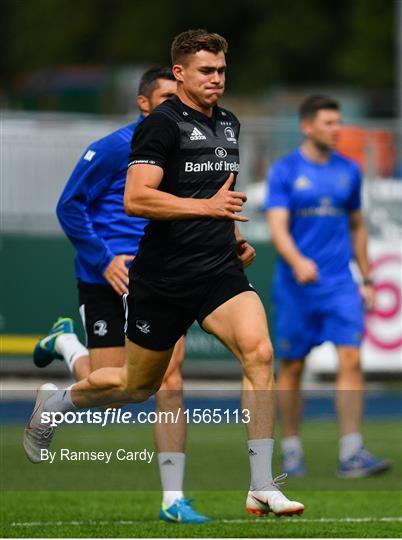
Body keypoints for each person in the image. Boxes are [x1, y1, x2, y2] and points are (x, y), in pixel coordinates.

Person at [24, 29, 304, 517]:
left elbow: (214, 201)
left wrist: (230, 240)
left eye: (221, 70)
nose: (217, 79)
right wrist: (209, 210)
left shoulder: (231, 124)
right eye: (205, 71)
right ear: (179, 74)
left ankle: (262, 484)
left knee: (260, 353)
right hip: (162, 278)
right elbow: (137, 198)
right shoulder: (160, 125)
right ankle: (56, 405)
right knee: (137, 387)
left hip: (217, 271)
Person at [31, 66, 210, 524]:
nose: (177, 105)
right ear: (144, 103)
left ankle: (174, 500)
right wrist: (104, 257)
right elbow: (68, 206)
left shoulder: (189, 149)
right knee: (117, 388)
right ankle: (67, 345)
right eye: (167, 97)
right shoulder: (114, 147)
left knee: (169, 381)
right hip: (106, 276)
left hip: (161, 278)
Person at [264, 95, 391, 478]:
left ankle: (351, 451)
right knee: (292, 366)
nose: (337, 129)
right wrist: (297, 260)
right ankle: (291, 451)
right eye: (329, 123)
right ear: (307, 126)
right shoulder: (285, 171)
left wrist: (366, 278)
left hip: (339, 283)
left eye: (339, 122)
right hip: (296, 285)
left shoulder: (348, 171)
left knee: (351, 359)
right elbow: (277, 227)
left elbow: (357, 224)